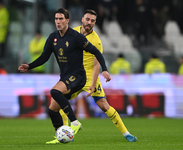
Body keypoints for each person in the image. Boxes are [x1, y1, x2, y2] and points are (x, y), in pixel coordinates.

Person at [18, 8, 111, 143]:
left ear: (67, 20)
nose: (58, 21)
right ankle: (60, 136)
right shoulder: (52, 37)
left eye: (61, 18)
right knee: (52, 110)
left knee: (55, 91)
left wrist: (104, 69)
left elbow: (96, 52)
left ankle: (74, 123)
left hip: (78, 76)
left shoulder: (76, 37)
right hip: (66, 77)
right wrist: (29, 66)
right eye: (56, 19)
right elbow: (44, 57)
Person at [46, 9, 137, 144]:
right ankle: (63, 135)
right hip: (74, 75)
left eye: (92, 21)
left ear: (95, 23)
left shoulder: (97, 41)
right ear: (82, 19)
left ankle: (126, 133)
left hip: (89, 77)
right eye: (87, 19)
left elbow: (96, 65)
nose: (89, 23)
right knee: (59, 102)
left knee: (104, 106)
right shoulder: (72, 32)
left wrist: (93, 84)